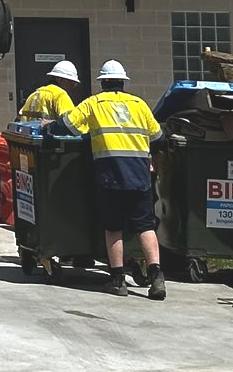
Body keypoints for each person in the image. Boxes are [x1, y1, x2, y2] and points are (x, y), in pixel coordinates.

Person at [59, 59, 166, 299]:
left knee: (113, 228)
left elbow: (68, 127)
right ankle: (157, 277)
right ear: (123, 82)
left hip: (111, 174)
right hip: (140, 174)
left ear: (103, 82)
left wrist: (48, 128)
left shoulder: (94, 103)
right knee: (145, 226)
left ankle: (118, 280)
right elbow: (159, 136)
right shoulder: (139, 104)